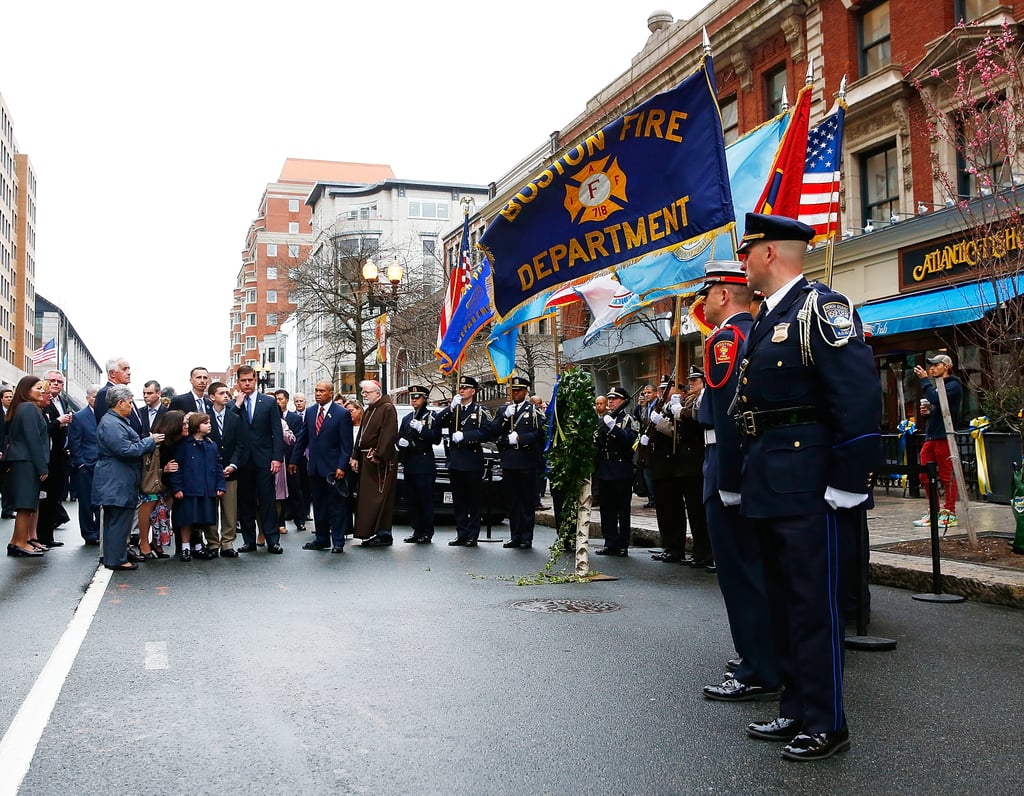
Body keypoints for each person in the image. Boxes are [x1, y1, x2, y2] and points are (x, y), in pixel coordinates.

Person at [735, 213, 881, 762]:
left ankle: (827, 722)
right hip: (772, 478)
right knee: (783, 602)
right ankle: (796, 707)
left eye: (748, 252)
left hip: (810, 481)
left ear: (770, 253)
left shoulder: (822, 309)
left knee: (813, 604)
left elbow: (859, 396)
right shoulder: (768, 317)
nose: (743, 263)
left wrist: (848, 481)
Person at [693, 259, 781, 703]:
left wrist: (727, 481)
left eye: (706, 294)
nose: (702, 303)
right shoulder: (756, 331)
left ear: (724, 294)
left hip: (726, 464)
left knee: (741, 573)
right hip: (754, 468)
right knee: (758, 568)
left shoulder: (726, 340)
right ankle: (766, 656)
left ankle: (757, 667)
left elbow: (727, 417)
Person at [94, 385, 163, 571]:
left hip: (118, 476)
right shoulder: (112, 423)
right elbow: (125, 450)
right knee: (118, 519)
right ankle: (117, 559)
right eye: (130, 403)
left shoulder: (115, 421)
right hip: (116, 478)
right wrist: (150, 441)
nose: (132, 407)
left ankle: (114, 556)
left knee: (116, 519)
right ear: (120, 403)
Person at [292, 380, 353, 553]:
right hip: (315, 467)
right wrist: (294, 461)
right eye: (316, 390)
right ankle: (321, 538)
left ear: (330, 393)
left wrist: (342, 466)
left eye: (322, 391)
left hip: (334, 469)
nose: (318, 393)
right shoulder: (311, 412)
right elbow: (303, 438)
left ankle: (338, 541)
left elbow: (346, 444)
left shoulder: (341, 414)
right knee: (318, 505)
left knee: (336, 506)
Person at [230, 365, 285, 555]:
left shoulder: (268, 403)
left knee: (267, 501)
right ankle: (248, 540)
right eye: (243, 380)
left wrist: (277, 458)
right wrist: (237, 404)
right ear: (238, 382)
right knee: (245, 502)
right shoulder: (234, 404)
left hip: (264, 459)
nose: (247, 384)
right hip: (243, 460)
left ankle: (272, 540)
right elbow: (228, 424)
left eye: (250, 380)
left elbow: (277, 432)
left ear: (255, 380)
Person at [433, 376, 494, 546]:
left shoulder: (480, 411)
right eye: (460, 388)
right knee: (459, 500)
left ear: (473, 391)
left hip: (472, 459)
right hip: (455, 460)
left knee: (473, 500)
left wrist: (466, 436)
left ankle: (473, 534)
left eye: (466, 388)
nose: (462, 390)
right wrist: (451, 407)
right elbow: (437, 423)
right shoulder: (455, 409)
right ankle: (461, 533)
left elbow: (488, 432)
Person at [493, 374, 546, 549]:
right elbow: (494, 432)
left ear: (525, 392)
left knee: (527, 501)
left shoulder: (533, 411)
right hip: (509, 461)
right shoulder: (504, 411)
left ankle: (526, 537)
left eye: (519, 391)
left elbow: (540, 433)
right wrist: (504, 418)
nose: (516, 394)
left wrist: (521, 438)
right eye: (513, 391)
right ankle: (515, 536)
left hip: (526, 461)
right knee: (512, 501)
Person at [913, 354, 963, 528]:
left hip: (945, 436)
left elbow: (937, 399)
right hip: (932, 436)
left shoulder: (954, 386)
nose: (932, 368)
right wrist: (929, 412)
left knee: (947, 475)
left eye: (936, 365)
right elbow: (938, 406)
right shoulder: (937, 386)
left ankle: (950, 513)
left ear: (946, 366)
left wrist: (925, 381)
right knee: (924, 474)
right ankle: (933, 511)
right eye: (931, 365)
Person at [168, 413, 225, 562]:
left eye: (209, 422)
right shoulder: (184, 445)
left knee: (201, 518)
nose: (209, 425)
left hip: (206, 488)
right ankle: (185, 547)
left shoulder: (211, 445)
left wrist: (220, 485)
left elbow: (218, 466)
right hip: (189, 488)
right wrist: (177, 487)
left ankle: (198, 545)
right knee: (187, 518)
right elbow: (177, 468)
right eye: (205, 423)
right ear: (196, 426)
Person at [672, 368, 713, 570]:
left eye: (695, 381)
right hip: (689, 463)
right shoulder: (693, 400)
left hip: (698, 460)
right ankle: (700, 551)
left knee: (701, 512)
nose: (691, 385)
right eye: (691, 381)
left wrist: (680, 412)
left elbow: (699, 418)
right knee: (695, 512)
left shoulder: (705, 398)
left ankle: (706, 553)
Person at [5, 376, 50, 557]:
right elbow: (33, 440)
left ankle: (16, 541)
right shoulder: (29, 408)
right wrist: (42, 467)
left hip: (21, 460)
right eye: (38, 388)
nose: (42, 391)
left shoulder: (21, 408)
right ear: (26, 389)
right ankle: (22, 543)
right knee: (26, 505)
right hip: (26, 462)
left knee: (25, 505)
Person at [351, 380, 398, 546]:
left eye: (367, 392)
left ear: (377, 393)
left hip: (379, 462)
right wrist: (355, 455)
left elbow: (389, 434)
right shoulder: (371, 409)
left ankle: (383, 533)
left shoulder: (387, 408)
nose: (364, 395)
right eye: (363, 392)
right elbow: (361, 436)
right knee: (367, 499)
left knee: (379, 498)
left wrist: (379, 455)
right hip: (366, 460)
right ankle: (370, 531)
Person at [594, 386, 639, 556]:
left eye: (615, 399)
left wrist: (614, 429)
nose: (611, 402)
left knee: (622, 509)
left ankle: (622, 544)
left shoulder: (628, 419)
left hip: (621, 468)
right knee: (607, 508)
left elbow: (630, 440)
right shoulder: (603, 418)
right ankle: (610, 542)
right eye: (609, 398)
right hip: (605, 468)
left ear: (623, 401)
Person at [137, 410, 185, 560]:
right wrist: (163, 469)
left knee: (163, 511)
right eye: (183, 424)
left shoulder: (180, 441)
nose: (187, 426)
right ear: (174, 426)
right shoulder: (158, 441)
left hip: (168, 483)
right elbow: (146, 464)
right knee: (149, 507)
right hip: (152, 483)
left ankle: (157, 543)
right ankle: (143, 543)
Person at [205, 382, 242, 557]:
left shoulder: (235, 418)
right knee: (211, 508)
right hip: (210, 472)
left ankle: (227, 543)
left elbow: (240, 445)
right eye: (221, 393)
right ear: (212, 397)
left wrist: (233, 465)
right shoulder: (204, 418)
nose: (226, 396)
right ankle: (212, 543)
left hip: (230, 470)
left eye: (227, 393)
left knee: (230, 509)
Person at [398, 384, 438, 543]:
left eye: (418, 398)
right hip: (410, 462)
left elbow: (436, 438)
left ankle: (427, 532)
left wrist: (422, 430)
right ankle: (417, 530)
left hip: (424, 462)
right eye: (412, 398)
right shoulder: (407, 418)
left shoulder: (431, 417)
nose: (414, 400)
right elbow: (400, 435)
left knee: (425, 500)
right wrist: (399, 442)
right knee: (412, 500)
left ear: (424, 399)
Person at [38, 370, 73, 548]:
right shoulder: (41, 402)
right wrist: (59, 421)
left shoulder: (63, 401)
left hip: (61, 454)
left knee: (56, 496)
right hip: (47, 456)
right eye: (52, 380)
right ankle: (41, 536)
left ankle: (48, 535)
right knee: (44, 497)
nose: (56, 383)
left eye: (59, 381)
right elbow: (43, 429)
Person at [68, 385, 101, 544]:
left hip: (104, 465)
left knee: (102, 501)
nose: (96, 399)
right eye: (94, 396)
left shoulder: (108, 415)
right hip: (85, 465)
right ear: (88, 398)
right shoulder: (79, 417)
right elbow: (74, 442)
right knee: (86, 502)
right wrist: (80, 463)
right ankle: (89, 534)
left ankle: (102, 532)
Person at [275, 389, 306, 532]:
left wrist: (293, 461)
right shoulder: (270, 418)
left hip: (291, 459)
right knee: (278, 494)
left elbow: (298, 441)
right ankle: (280, 522)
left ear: (287, 400)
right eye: (276, 399)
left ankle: (300, 520)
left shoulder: (295, 418)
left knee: (295, 490)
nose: (278, 402)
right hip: (276, 461)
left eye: (281, 399)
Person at [95, 357, 143, 432]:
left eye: (128, 368)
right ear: (112, 373)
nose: (129, 372)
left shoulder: (124, 393)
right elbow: (108, 427)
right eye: (124, 369)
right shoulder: (105, 393)